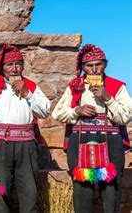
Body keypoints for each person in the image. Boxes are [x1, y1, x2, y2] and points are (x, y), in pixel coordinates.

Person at [0, 44, 51, 213]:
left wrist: (27, 93)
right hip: (0, 146)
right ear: (2, 68)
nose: (14, 69)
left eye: (18, 64)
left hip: (26, 146)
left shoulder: (30, 86)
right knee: (1, 196)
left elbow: (44, 111)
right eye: (9, 65)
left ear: (23, 66)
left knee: (30, 194)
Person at [52, 44, 131, 213]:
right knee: (82, 190)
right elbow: (57, 113)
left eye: (98, 64)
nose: (94, 69)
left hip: (111, 141)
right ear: (83, 67)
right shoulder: (75, 86)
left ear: (105, 64)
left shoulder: (117, 86)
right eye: (89, 66)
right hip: (81, 140)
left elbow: (125, 117)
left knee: (111, 189)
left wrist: (108, 98)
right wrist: (77, 110)